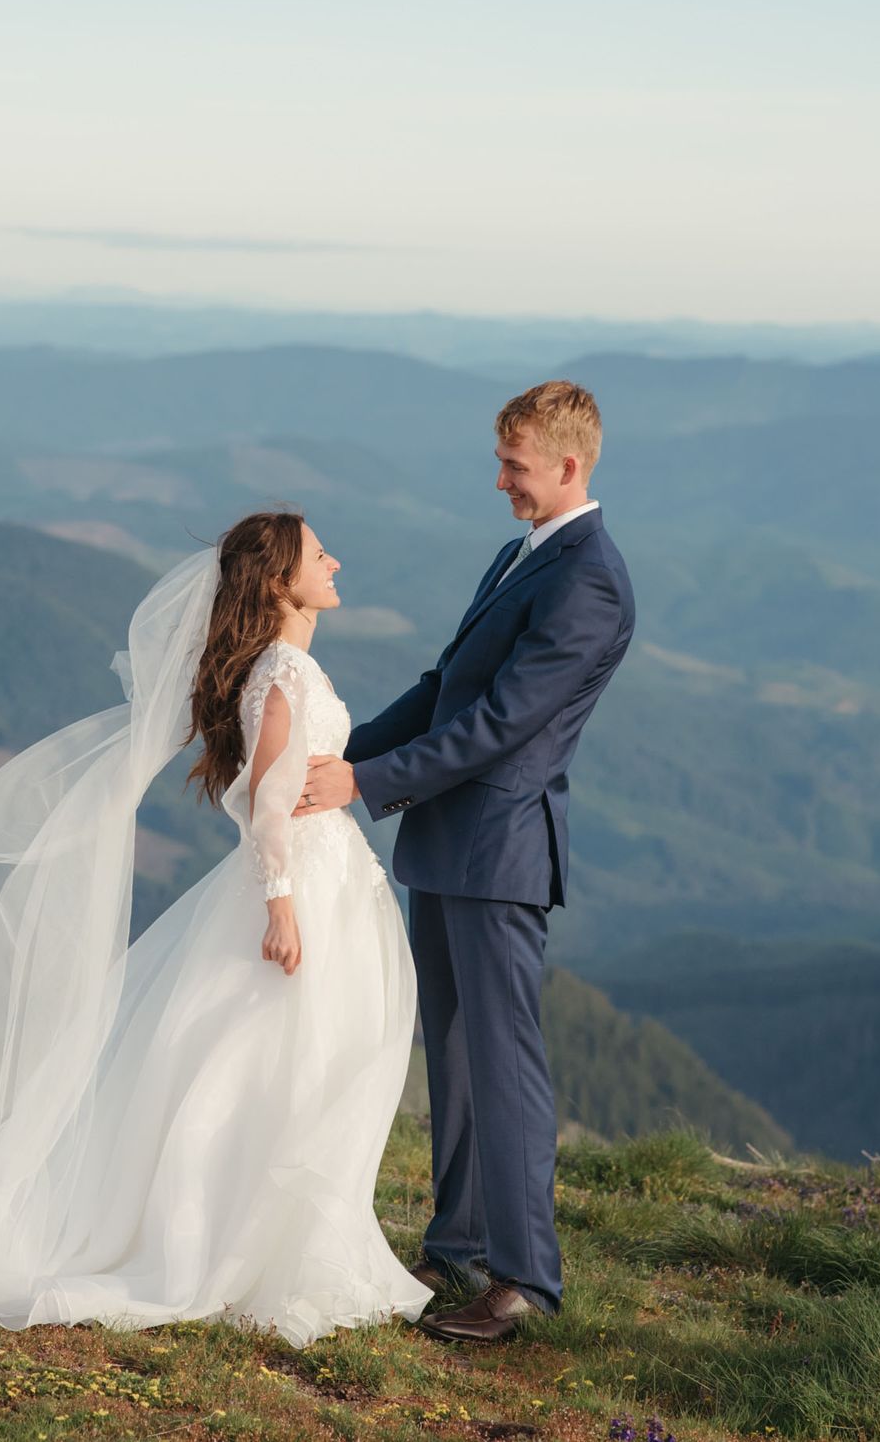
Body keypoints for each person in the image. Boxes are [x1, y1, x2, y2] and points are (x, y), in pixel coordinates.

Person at [0, 511, 432, 1348]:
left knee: (292, 1067)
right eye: (317, 553)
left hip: (323, 881)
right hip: (297, 890)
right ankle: (239, 1248)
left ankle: (276, 1241)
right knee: (265, 1066)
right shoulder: (285, 677)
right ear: (277, 582)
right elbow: (268, 809)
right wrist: (282, 907)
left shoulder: (287, 669)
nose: (336, 560)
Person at [295, 380, 635, 1343]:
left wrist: (362, 786)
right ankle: (456, 1245)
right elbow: (445, 686)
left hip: (500, 852)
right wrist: (344, 754)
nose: (500, 481)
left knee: (505, 1065)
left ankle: (525, 1281)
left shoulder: (590, 579)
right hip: (446, 844)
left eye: (515, 466)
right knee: (449, 1053)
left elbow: (496, 727)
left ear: (570, 465)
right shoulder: (521, 553)